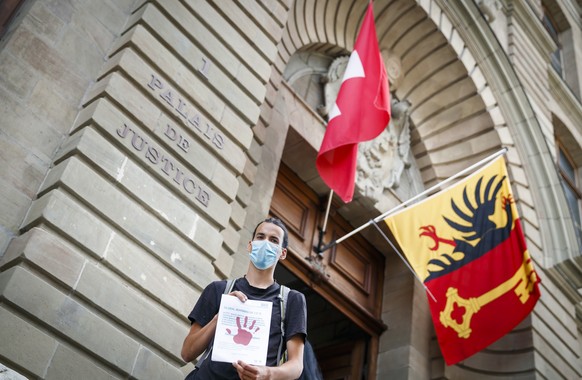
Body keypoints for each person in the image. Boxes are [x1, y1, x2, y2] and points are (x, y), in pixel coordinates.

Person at [181, 217, 307, 379]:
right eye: (260, 237)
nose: (265, 243)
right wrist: (221, 316)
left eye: (273, 240)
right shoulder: (218, 290)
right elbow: (186, 353)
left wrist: (267, 373)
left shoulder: (292, 300)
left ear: (282, 253)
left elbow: (296, 365)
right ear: (250, 245)